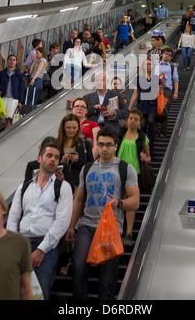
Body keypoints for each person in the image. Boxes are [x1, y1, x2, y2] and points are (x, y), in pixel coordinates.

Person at [65, 127, 139, 300]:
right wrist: (70, 226)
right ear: (96, 145)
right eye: (100, 145)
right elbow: (78, 200)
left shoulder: (125, 168)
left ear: (115, 146)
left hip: (110, 229)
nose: (104, 149)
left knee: (107, 280)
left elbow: (135, 201)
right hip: (87, 226)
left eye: (108, 145)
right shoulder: (87, 168)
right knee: (78, 266)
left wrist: (119, 203)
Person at [6, 143, 73, 300]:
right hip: (20, 246)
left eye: (56, 157)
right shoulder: (23, 187)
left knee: (39, 295)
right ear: (39, 158)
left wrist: (41, 250)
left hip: (46, 249)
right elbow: (13, 218)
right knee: (15, 294)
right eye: (49, 155)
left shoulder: (63, 187)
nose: (53, 160)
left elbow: (62, 222)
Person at [117, 108, 151, 246]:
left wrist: (145, 158)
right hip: (118, 171)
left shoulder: (143, 137)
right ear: (127, 120)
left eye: (135, 119)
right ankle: (119, 231)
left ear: (139, 122)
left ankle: (129, 233)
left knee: (130, 203)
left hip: (134, 173)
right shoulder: (120, 135)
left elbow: (149, 157)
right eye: (131, 118)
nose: (132, 121)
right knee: (118, 201)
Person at [83, 71, 128, 135]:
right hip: (93, 129)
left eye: (101, 80)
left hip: (111, 129)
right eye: (97, 80)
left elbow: (126, 112)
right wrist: (93, 108)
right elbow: (83, 112)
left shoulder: (116, 95)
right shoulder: (87, 97)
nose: (99, 82)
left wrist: (114, 113)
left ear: (107, 81)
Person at [128, 57, 158, 155]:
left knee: (151, 122)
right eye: (146, 64)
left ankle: (152, 147)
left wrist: (161, 87)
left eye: (149, 64)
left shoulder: (155, 77)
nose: (148, 66)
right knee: (143, 126)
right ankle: (143, 148)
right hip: (142, 104)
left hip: (152, 104)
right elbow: (135, 94)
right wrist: (130, 106)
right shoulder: (138, 78)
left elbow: (158, 92)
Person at [55, 113, 94, 188]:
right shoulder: (55, 144)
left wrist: (78, 160)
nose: (71, 130)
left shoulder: (85, 144)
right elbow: (49, 165)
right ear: (63, 128)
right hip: (59, 184)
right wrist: (62, 161)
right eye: (68, 128)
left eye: (74, 128)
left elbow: (91, 166)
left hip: (78, 185)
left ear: (78, 128)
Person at [0, 54, 24, 137]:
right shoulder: (2, 73)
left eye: (14, 60)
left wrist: (20, 101)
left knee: (8, 118)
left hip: (13, 98)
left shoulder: (19, 75)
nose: (12, 61)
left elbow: (21, 88)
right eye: (10, 59)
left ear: (16, 62)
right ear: (7, 61)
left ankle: (5, 138)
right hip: (2, 97)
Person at [155, 47, 179, 139]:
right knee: (155, 110)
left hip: (167, 90)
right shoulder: (156, 66)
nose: (167, 56)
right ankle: (155, 130)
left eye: (169, 55)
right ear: (162, 54)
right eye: (166, 54)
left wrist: (176, 92)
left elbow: (176, 80)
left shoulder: (172, 67)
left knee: (165, 111)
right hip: (156, 89)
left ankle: (163, 132)